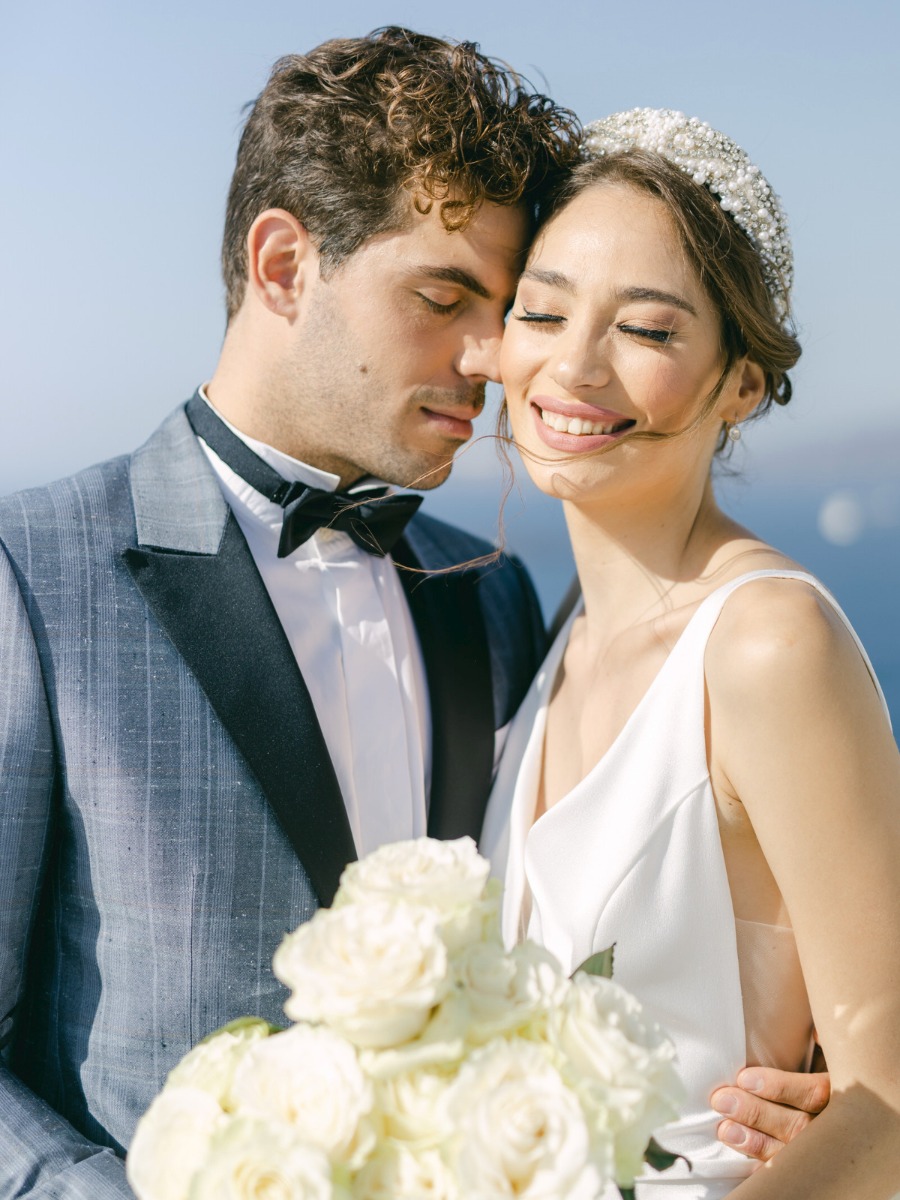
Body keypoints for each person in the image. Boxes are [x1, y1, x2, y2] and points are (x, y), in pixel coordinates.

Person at [0, 35, 820, 1192]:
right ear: (284, 266)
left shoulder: (491, 593)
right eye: (443, 297)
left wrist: (806, 1069)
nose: (492, 358)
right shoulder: (29, 579)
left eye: (505, 308)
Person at [483, 109, 900, 1197]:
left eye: (651, 332)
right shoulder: (554, 636)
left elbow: (894, 1103)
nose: (575, 367)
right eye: (544, 310)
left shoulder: (767, 644)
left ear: (741, 384)